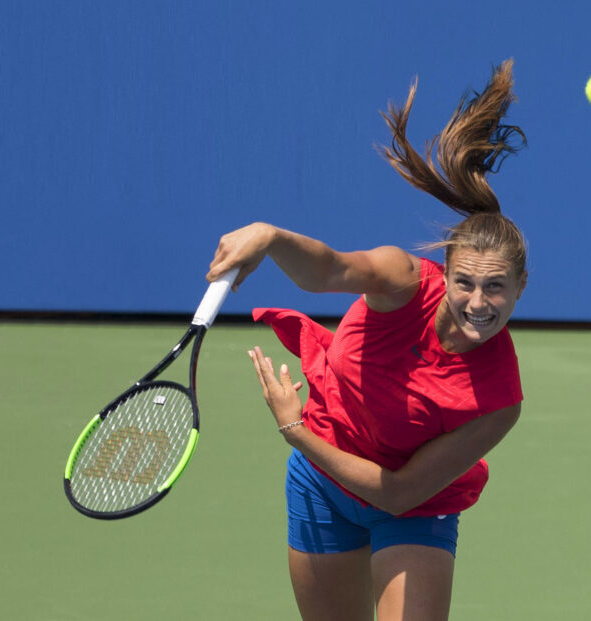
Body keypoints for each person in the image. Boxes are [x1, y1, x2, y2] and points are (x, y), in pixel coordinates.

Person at [207, 59, 528, 621]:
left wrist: (295, 429)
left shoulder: (498, 400)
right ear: (443, 273)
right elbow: (327, 271)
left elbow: (400, 494)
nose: (479, 302)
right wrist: (271, 236)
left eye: (496, 288)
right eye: (466, 283)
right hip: (323, 486)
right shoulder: (400, 281)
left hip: (410, 509)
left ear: (521, 289)